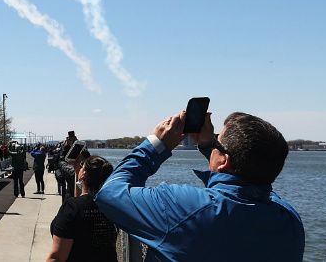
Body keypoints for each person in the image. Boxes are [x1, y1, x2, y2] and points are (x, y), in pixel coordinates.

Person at [94, 109, 304, 261]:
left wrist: (157, 145)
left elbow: (110, 193)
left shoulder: (182, 207)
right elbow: (248, 182)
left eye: (217, 142)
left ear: (223, 160)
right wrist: (208, 146)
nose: (213, 143)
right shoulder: (290, 221)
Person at [47, 155, 118, 262]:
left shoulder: (72, 207)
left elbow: (57, 257)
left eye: (82, 167)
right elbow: (83, 199)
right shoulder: (112, 206)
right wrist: (77, 173)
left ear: (83, 174)